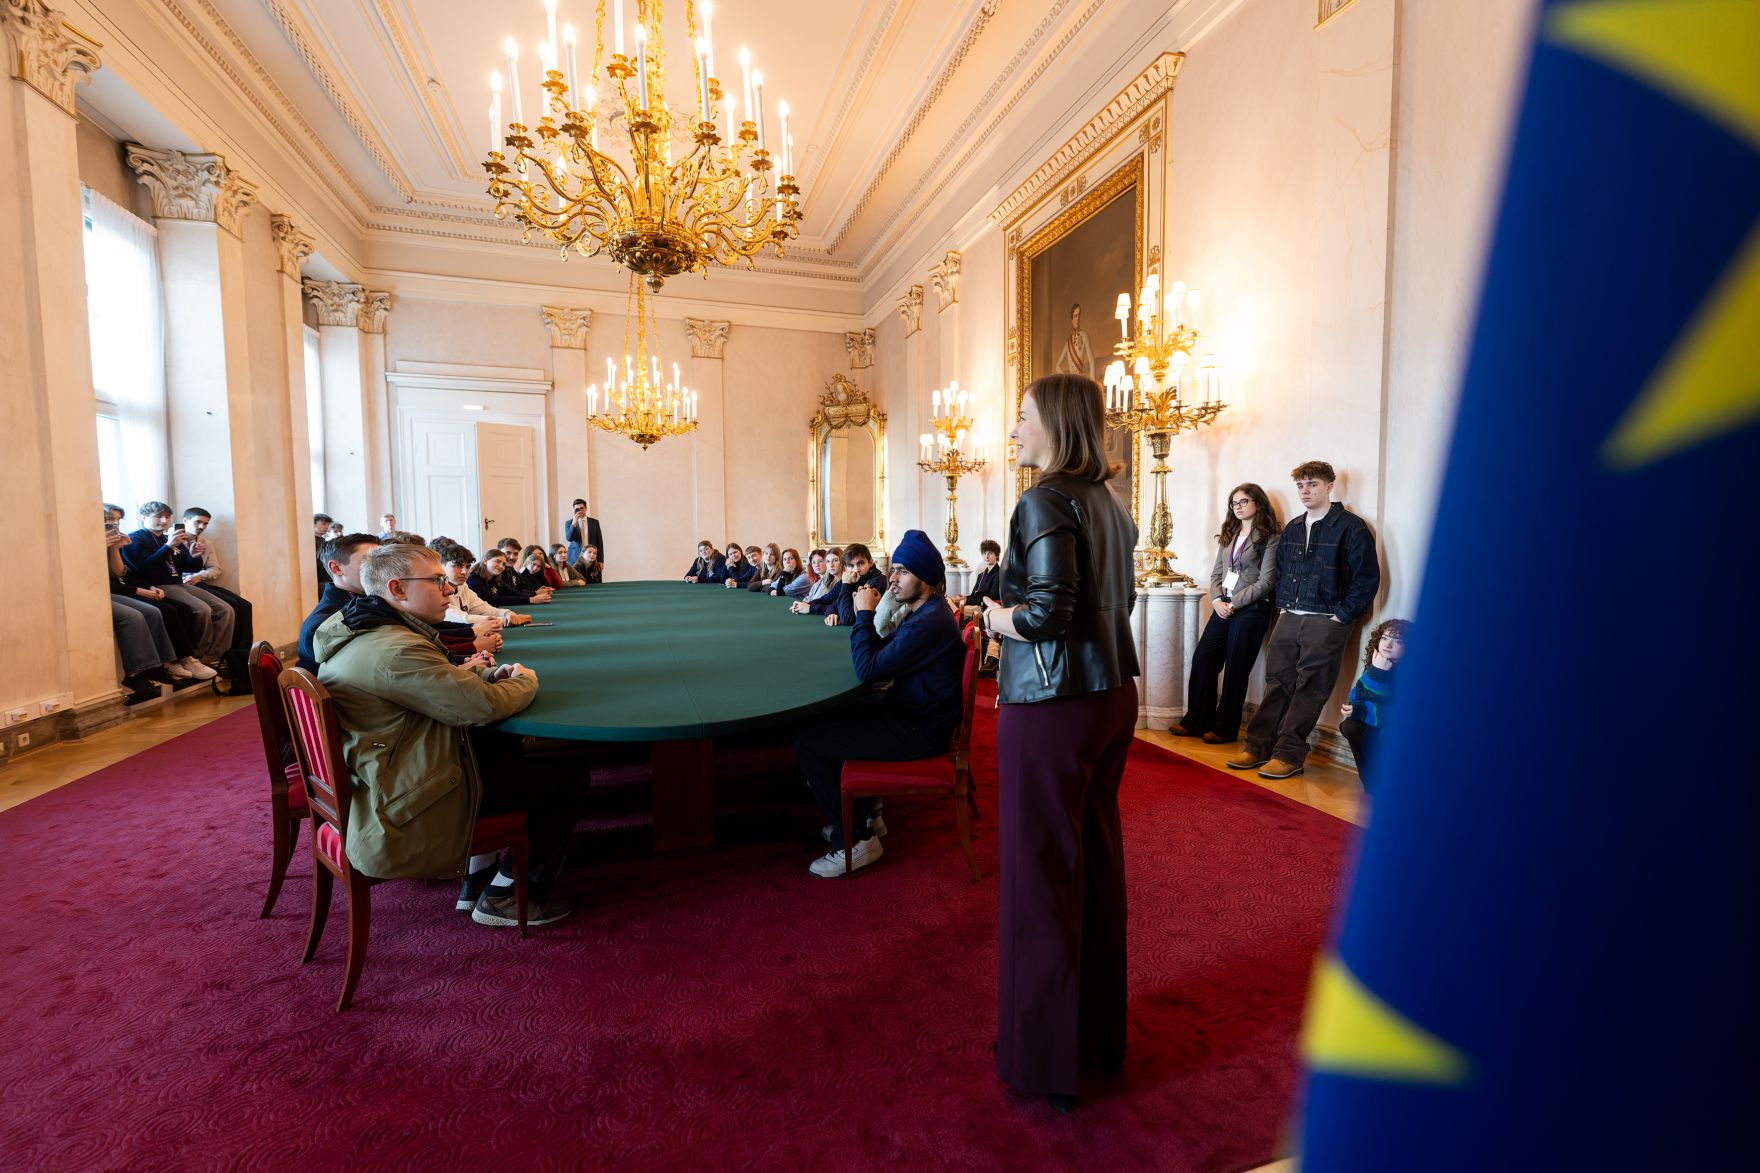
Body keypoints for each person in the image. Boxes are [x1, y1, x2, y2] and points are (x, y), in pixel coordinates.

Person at [981, 372, 1140, 1110]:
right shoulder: (1112, 503)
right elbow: (1116, 601)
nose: (1013, 429)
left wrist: (993, 619)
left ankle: (1042, 1059)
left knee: (1039, 875)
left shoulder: (1044, 499)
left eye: (1022, 416)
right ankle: (1096, 1039)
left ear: (1055, 422)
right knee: (1096, 862)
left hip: (1052, 702)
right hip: (1112, 695)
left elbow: (1045, 615)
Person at [311, 543, 575, 928]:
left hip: (390, 774)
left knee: (499, 743)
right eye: (437, 581)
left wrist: (488, 674)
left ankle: (477, 876)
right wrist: (525, 680)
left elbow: (439, 683)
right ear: (397, 589)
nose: (449, 588)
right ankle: (506, 896)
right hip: (407, 801)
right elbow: (483, 706)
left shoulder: (368, 631)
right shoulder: (396, 650)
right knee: (566, 778)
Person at [794, 530, 964, 878]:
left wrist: (864, 615)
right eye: (894, 569)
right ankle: (866, 813)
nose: (893, 578)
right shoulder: (923, 611)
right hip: (911, 712)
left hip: (920, 729)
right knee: (829, 715)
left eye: (903, 571)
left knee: (810, 745)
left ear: (926, 578)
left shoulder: (928, 623)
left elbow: (867, 669)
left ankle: (857, 839)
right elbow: (881, 655)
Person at [1228, 461, 1380, 780]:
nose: (1305, 491)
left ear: (1329, 486)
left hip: (1326, 619)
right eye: (1300, 485)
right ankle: (1257, 746)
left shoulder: (1351, 527)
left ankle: (1289, 754)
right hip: (1290, 615)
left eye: (1312, 484)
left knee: (1311, 687)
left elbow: (1366, 578)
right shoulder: (1294, 527)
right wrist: (1284, 607)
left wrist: (1341, 615)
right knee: (1276, 683)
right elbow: (1282, 571)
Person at [1172, 484, 1281, 744]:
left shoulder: (1270, 536)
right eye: (1234, 503)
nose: (1238, 507)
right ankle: (1197, 720)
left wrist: (1234, 603)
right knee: (1203, 658)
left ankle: (1224, 729)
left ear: (1258, 503)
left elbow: (1267, 581)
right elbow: (1217, 574)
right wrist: (1218, 599)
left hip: (1252, 608)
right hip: (1224, 606)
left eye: (1244, 501)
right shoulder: (1230, 534)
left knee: (1236, 667)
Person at [121, 502, 236, 666]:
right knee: (202, 610)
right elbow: (143, 568)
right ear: (144, 517)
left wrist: (194, 556)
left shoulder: (168, 538)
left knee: (225, 609)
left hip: (179, 584)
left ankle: (216, 656)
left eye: (167, 517)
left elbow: (188, 567)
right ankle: (198, 655)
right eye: (158, 517)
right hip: (158, 585)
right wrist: (168, 547)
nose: (164, 521)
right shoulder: (135, 538)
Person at [173, 508, 255, 655]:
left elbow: (215, 568)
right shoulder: (171, 540)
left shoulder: (205, 542)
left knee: (245, 605)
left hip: (200, 582)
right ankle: (218, 654)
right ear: (185, 521)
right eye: (198, 522)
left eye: (205, 524)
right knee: (229, 606)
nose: (202, 527)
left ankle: (242, 653)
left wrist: (200, 575)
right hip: (182, 584)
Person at [1340, 618, 1407, 791]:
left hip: (1402, 728)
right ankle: (1372, 784)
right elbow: (1356, 697)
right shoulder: (1378, 662)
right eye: (1385, 638)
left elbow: (1399, 714)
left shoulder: (1409, 673)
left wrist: (1363, 710)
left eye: (1398, 641)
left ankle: (1392, 784)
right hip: (1378, 721)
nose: (1388, 644)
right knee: (1349, 726)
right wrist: (1377, 671)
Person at [298, 533, 380, 673]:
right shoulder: (323, 627)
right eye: (368, 562)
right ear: (336, 568)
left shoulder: (371, 601)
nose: (382, 569)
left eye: (382, 561)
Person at [437, 544, 532, 627]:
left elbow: (483, 608)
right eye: (457, 566)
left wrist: (506, 613)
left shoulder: (462, 586)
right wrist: (504, 620)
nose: (464, 572)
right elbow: (461, 619)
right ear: (441, 566)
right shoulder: (436, 589)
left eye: (468, 566)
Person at [468, 549, 550, 608]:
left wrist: (533, 595)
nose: (501, 566)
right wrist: (530, 599)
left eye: (503, 564)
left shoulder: (495, 578)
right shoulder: (473, 579)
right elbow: (492, 600)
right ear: (485, 561)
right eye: (497, 561)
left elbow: (513, 593)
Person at [564, 498, 605, 568]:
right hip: (575, 557)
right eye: (577, 509)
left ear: (586, 509)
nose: (580, 511)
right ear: (574, 510)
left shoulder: (594, 522)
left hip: (592, 556)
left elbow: (599, 542)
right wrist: (574, 524)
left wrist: (601, 560)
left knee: (593, 575)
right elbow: (569, 538)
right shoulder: (569, 523)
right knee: (576, 575)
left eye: (582, 508)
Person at [313, 514, 334, 600]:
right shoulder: (310, 540)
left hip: (327, 578)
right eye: (323, 524)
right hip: (318, 580)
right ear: (313, 524)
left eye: (328, 524)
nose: (326, 527)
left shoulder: (323, 541)